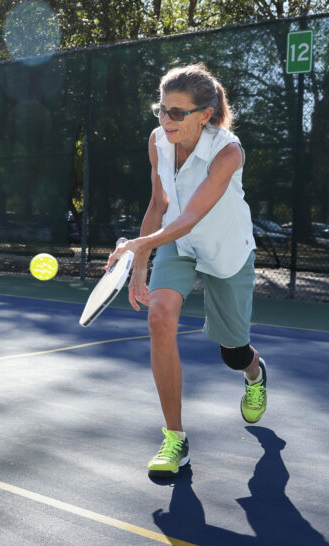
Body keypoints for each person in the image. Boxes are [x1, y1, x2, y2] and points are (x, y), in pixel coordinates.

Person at [107, 63, 267, 477]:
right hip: (176, 243)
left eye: (177, 113)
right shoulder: (158, 141)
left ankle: (254, 372)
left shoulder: (228, 151)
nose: (166, 119)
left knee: (233, 353)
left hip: (225, 250)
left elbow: (193, 215)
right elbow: (159, 204)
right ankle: (175, 438)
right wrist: (139, 264)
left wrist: (139, 246)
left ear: (205, 115)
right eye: (161, 109)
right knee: (159, 318)